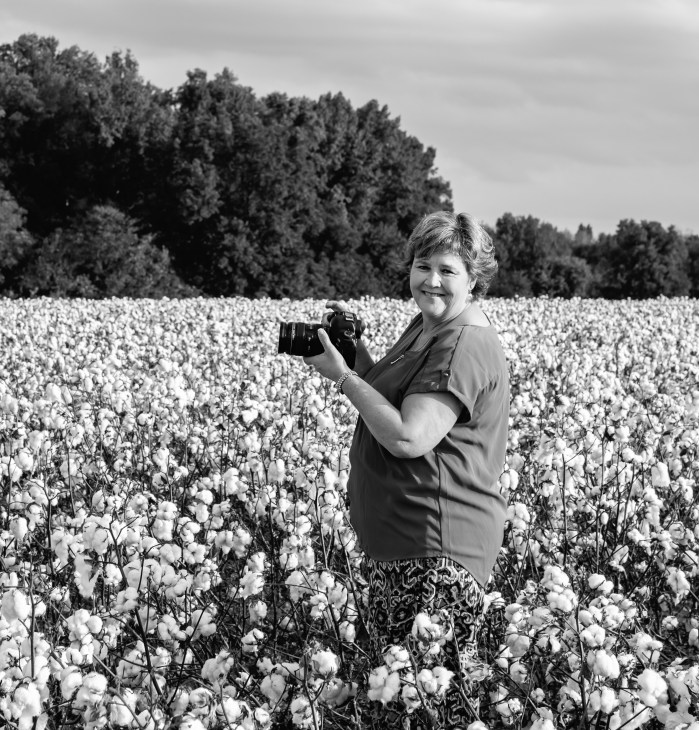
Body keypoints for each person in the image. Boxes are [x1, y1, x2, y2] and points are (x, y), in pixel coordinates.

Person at [304, 210, 509, 727]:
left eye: (448, 270)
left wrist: (343, 378)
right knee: (399, 699)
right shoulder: (428, 326)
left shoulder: (461, 345)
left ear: (474, 279)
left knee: (421, 705)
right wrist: (354, 354)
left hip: (434, 552)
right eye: (423, 265)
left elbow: (408, 436)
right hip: (403, 545)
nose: (431, 280)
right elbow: (394, 394)